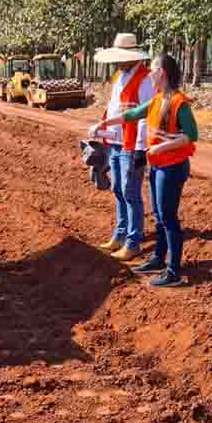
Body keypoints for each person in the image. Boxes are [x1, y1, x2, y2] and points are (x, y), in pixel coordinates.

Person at [91, 53, 198, 287]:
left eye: (153, 69)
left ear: (162, 73)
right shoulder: (158, 99)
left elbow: (192, 135)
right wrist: (105, 123)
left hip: (172, 167)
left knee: (168, 218)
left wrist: (161, 147)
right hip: (158, 165)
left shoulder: (179, 102)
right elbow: (132, 114)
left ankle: (174, 272)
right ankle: (158, 259)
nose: (150, 73)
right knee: (159, 216)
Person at [88, 34, 154, 262]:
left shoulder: (146, 79)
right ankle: (120, 234)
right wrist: (102, 129)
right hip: (114, 141)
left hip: (131, 143)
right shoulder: (119, 76)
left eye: (121, 58)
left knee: (130, 192)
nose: (117, 62)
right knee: (118, 190)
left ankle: (133, 242)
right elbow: (114, 108)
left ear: (133, 57)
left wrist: (140, 149)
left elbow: (146, 115)